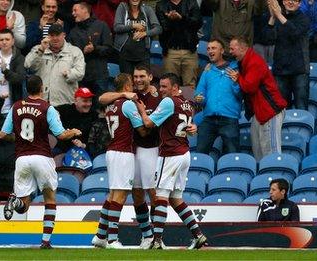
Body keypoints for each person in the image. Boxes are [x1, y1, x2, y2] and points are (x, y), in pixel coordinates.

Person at [0, 75, 82, 249]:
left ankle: (14, 202)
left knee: (23, 207)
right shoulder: (47, 108)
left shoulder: (16, 107)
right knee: (50, 198)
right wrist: (73, 132)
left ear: (26, 89)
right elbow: (60, 134)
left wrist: (18, 138)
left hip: (22, 158)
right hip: (42, 156)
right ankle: (45, 241)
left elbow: (3, 133)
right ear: (42, 88)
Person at [137, 73, 208, 250]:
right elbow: (187, 126)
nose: (161, 90)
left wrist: (140, 111)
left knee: (160, 195)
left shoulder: (169, 102)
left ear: (175, 87)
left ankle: (157, 240)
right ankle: (198, 235)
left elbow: (148, 124)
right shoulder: (186, 103)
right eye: (160, 86)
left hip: (170, 154)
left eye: (165, 87)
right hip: (184, 153)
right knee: (176, 198)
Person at [97, 66, 160, 249]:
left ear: (150, 77)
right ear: (127, 85)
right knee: (122, 194)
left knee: (115, 194)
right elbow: (142, 129)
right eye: (133, 80)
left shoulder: (115, 103)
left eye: (141, 77)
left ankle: (101, 235)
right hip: (125, 152)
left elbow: (103, 100)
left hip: (126, 150)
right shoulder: (128, 102)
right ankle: (112, 239)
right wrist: (143, 114)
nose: (137, 82)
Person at [227, 37, 287, 161]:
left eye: (232, 49)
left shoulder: (254, 61)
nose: (230, 52)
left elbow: (249, 87)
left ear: (242, 48)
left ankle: (275, 176)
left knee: (271, 153)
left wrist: (238, 78)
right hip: (259, 112)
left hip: (270, 111)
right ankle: (263, 177)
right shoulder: (244, 62)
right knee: (259, 152)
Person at [194, 39, 242, 155]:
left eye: (213, 48)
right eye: (208, 49)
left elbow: (240, 95)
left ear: (222, 50)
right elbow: (199, 93)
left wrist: (236, 82)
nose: (210, 51)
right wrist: (199, 98)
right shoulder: (207, 71)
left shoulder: (235, 69)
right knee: (200, 154)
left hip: (229, 119)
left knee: (232, 155)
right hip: (209, 119)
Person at [264, 0, 310, 110]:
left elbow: (295, 33)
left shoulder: (303, 18)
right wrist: (273, 17)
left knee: (301, 107)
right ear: (283, 2)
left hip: (300, 70)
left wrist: (279, 15)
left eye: (295, 0)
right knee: (282, 109)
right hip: (281, 70)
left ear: (299, 4)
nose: (291, 2)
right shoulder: (278, 18)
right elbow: (268, 38)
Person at [25, 23, 85, 107]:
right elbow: (28, 66)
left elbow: (80, 73)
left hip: (66, 102)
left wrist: (69, 73)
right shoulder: (38, 49)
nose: (55, 38)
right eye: (52, 35)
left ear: (63, 35)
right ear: (48, 36)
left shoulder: (75, 51)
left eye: (58, 35)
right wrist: (41, 50)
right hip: (42, 102)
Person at [68, 2, 113, 95]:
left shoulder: (102, 26)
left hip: (100, 75)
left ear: (84, 10)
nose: (73, 13)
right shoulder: (73, 32)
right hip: (82, 78)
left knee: (100, 106)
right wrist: (82, 52)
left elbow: (109, 49)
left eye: (75, 10)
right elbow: (70, 55)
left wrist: (95, 48)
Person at [155, 0, 202, 88]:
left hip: (189, 51)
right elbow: (162, 28)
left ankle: (188, 102)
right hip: (170, 51)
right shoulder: (161, 5)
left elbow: (198, 23)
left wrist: (182, 18)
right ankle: (171, 102)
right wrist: (171, 20)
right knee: (169, 85)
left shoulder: (191, 2)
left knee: (189, 87)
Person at [113, 0, 162, 74]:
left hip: (143, 55)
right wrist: (133, 26)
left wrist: (145, 33)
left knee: (143, 82)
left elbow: (158, 28)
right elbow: (117, 27)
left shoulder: (147, 9)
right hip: (125, 54)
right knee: (127, 83)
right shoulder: (122, 7)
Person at [54, 87, 97, 153]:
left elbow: (96, 140)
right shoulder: (65, 110)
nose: (88, 104)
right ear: (76, 101)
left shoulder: (94, 115)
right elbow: (48, 111)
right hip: (62, 148)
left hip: (84, 152)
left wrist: (83, 145)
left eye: (90, 101)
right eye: (85, 101)